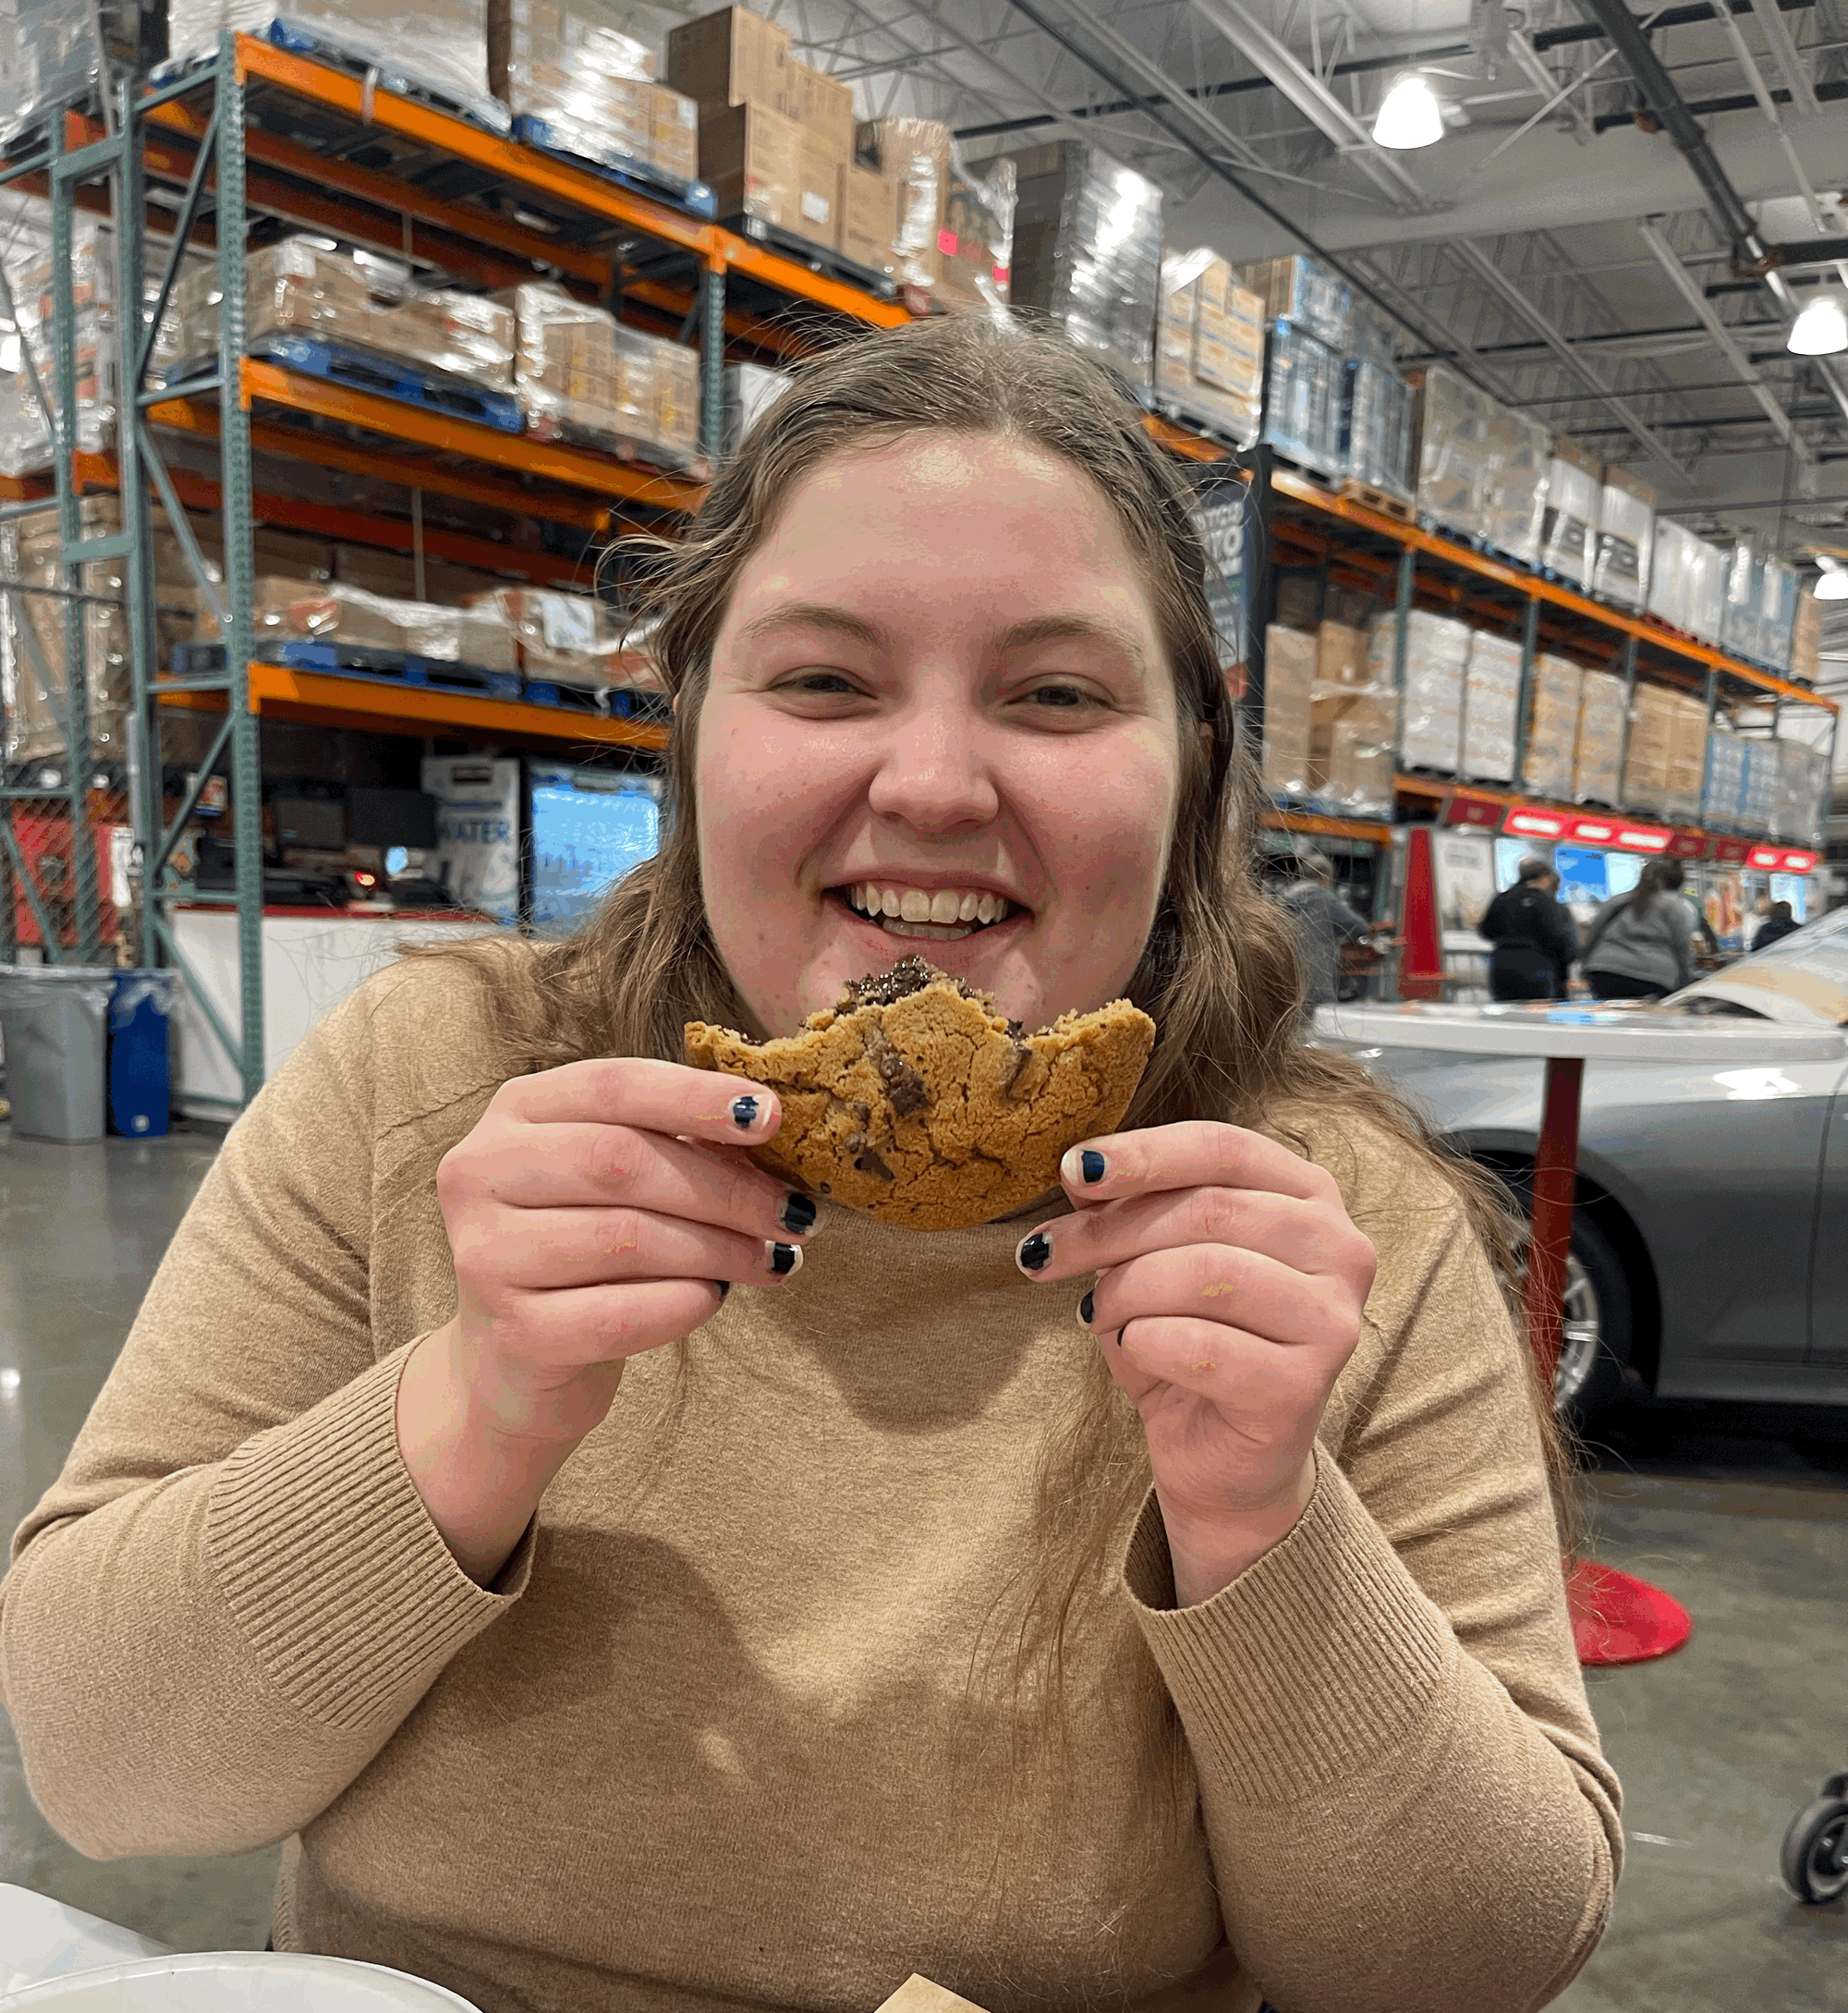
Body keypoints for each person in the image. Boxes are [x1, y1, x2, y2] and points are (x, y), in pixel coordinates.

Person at [0, 320, 1619, 2013]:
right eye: (825, 680)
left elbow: (1468, 1965)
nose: (928, 784)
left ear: (1196, 748)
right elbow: (107, 1776)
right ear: (692, 720)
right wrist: (473, 1401)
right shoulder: (429, 1087)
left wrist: (1260, 1520)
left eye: (1056, 694)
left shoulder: (1332, 1223)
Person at [1580, 856, 1696, 1001]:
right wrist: (1685, 980)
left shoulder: (1618, 901)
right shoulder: (1675, 906)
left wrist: (1585, 966)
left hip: (1605, 970)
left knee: (1611, 1018)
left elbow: (1593, 934)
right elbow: (1682, 946)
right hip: (1653, 976)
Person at [1274, 848, 1380, 1006]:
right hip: (1315, 980)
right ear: (1324, 877)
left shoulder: (1282, 899)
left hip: (1283, 977)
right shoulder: (1323, 897)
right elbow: (1358, 926)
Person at [1477, 856, 1578, 1001]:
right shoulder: (1545, 900)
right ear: (1545, 877)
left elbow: (1486, 931)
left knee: (1508, 1015)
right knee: (1538, 1018)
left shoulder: (1502, 898)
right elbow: (1556, 935)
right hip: (1537, 967)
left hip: (1502, 966)